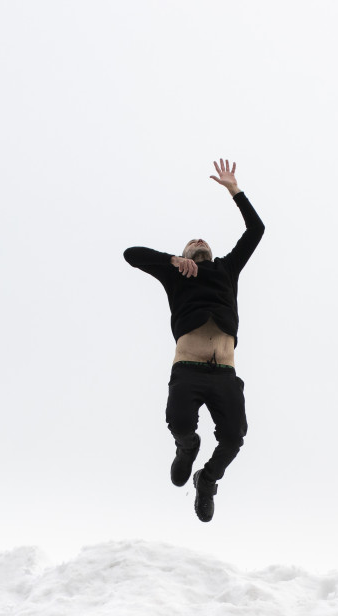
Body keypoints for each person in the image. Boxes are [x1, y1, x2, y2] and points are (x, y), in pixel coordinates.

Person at [123, 159, 265, 522]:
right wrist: (171, 260)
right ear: (185, 256)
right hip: (187, 368)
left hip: (225, 374)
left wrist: (235, 191)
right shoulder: (176, 275)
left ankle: (208, 479)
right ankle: (187, 449)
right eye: (191, 244)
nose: (198, 241)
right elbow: (131, 255)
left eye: (202, 241)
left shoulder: (226, 269)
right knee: (180, 423)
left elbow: (256, 230)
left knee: (234, 438)